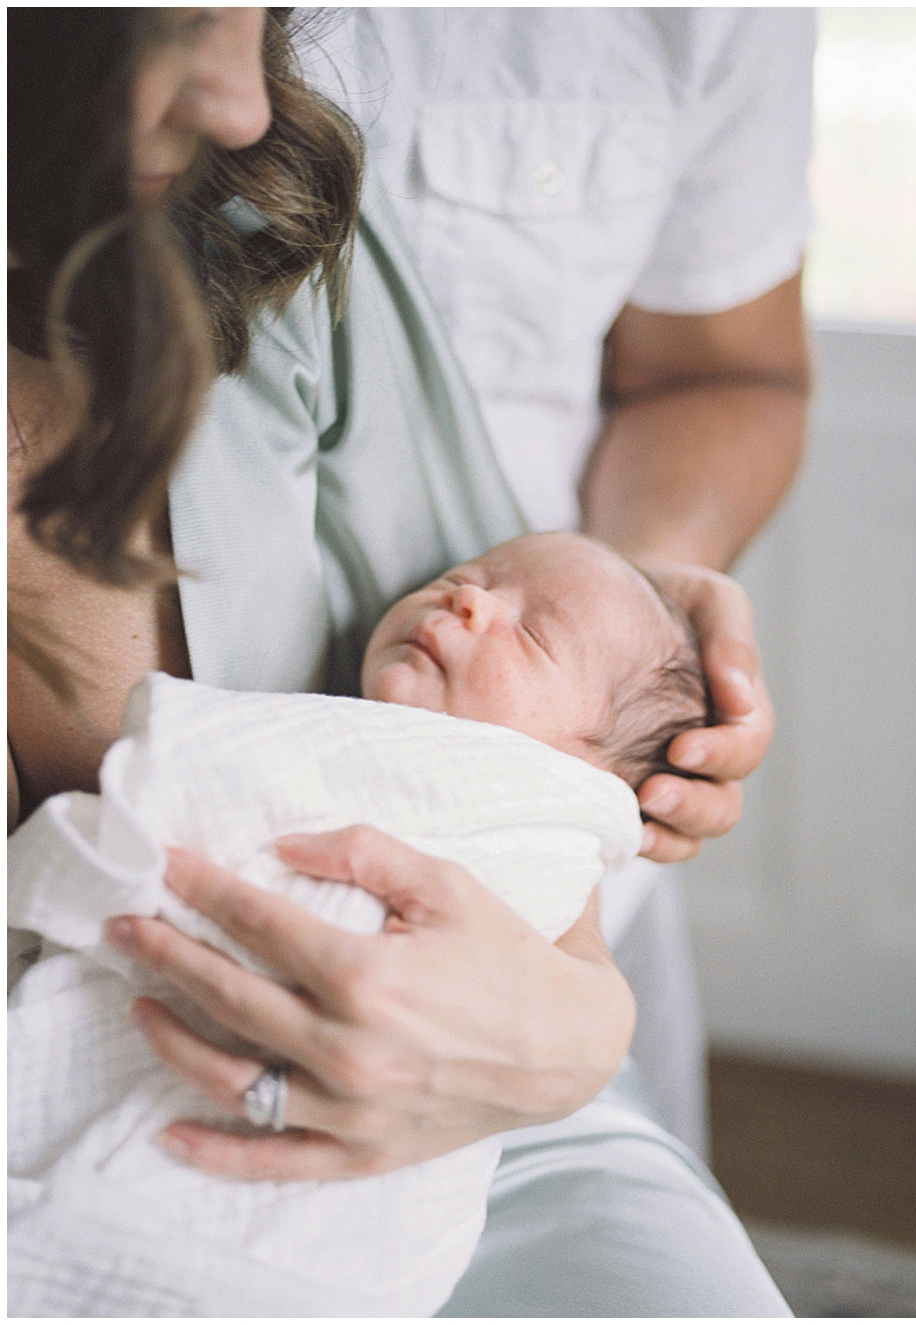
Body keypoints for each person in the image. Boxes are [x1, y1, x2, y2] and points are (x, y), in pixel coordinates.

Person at [8, 8, 790, 1316]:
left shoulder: (268, 211)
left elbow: (518, 802)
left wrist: (569, 1030)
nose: (242, 94)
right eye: (184, 21)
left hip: (461, 1107)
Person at [9, 532, 706, 1317]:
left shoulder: (535, 814)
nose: (467, 598)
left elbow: (203, 801)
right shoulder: (356, 733)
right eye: (461, 578)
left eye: (535, 634)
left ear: (582, 770)